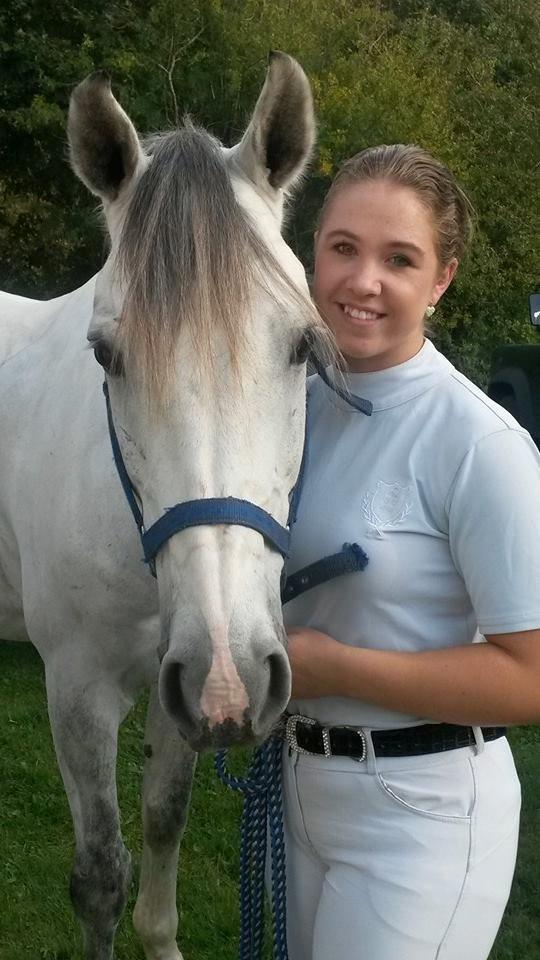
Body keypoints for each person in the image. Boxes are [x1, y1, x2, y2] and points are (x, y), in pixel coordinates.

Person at [281, 144, 540, 960]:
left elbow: (531, 678)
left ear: (440, 282)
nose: (364, 282)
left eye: (400, 259)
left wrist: (336, 668)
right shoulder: (292, 403)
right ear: (311, 253)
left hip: (420, 813)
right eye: (344, 248)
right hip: (303, 783)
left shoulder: (478, 444)